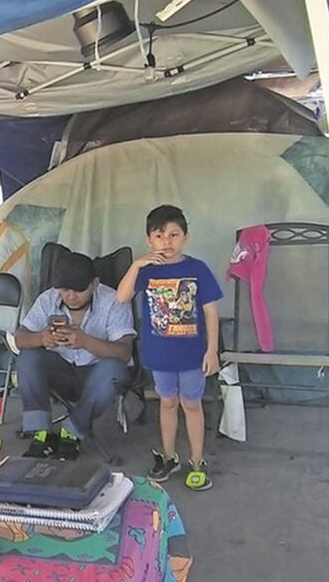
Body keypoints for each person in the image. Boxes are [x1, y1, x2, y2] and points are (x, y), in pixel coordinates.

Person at [117, 204, 222, 491]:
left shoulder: (197, 269)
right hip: (160, 354)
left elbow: (211, 313)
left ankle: (197, 461)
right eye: (160, 236)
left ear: (186, 236)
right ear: (149, 239)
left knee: (191, 404)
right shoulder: (146, 271)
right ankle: (169, 456)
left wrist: (211, 350)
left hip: (191, 355)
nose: (167, 242)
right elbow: (121, 296)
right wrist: (137, 264)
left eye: (174, 235)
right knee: (166, 403)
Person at [13, 250, 135, 460]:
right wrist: (41, 339)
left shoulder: (114, 300)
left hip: (97, 374)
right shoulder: (48, 299)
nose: (71, 296)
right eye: (64, 290)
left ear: (94, 283)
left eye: (79, 290)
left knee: (114, 370)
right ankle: (41, 433)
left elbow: (124, 352)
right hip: (61, 371)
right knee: (27, 358)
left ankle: (72, 432)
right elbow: (20, 338)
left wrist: (86, 341)